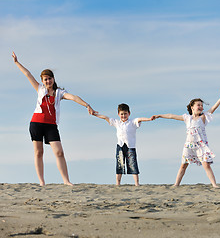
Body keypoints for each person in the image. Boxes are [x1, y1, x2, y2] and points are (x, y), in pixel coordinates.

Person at [12, 52, 96, 186]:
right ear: (42, 81)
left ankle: (66, 181)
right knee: (39, 152)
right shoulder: (39, 88)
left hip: (51, 125)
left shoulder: (59, 93)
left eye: (49, 78)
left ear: (53, 79)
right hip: (36, 124)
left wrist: (87, 105)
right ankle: (41, 182)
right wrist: (17, 63)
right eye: (45, 79)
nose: (48, 81)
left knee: (59, 152)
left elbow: (74, 97)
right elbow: (27, 74)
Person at [151, 90, 220, 188]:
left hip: (201, 146)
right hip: (189, 145)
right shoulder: (187, 118)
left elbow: (214, 107)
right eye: (198, 105)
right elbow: (171, 116)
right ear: (192, 107)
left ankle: (214, 185)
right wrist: (159, 116)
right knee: (183, 165)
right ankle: (176, 184)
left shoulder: (203, 117)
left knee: (206, 165)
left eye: (201, 105)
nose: (200, 107)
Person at [93, 103, 153, 186]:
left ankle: (137, 183)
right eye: (122, 114)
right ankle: (118, 183)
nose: (123, 116)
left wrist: (149, 119)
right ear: (118, 114)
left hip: (130, 147)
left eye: (125, 114)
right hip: (120, 146)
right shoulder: (117, 122)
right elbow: (105, 118)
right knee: (119, 165)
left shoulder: (132, 122)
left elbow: (140, 119)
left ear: (129, 113)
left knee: (133, 164)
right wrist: (96, 115)